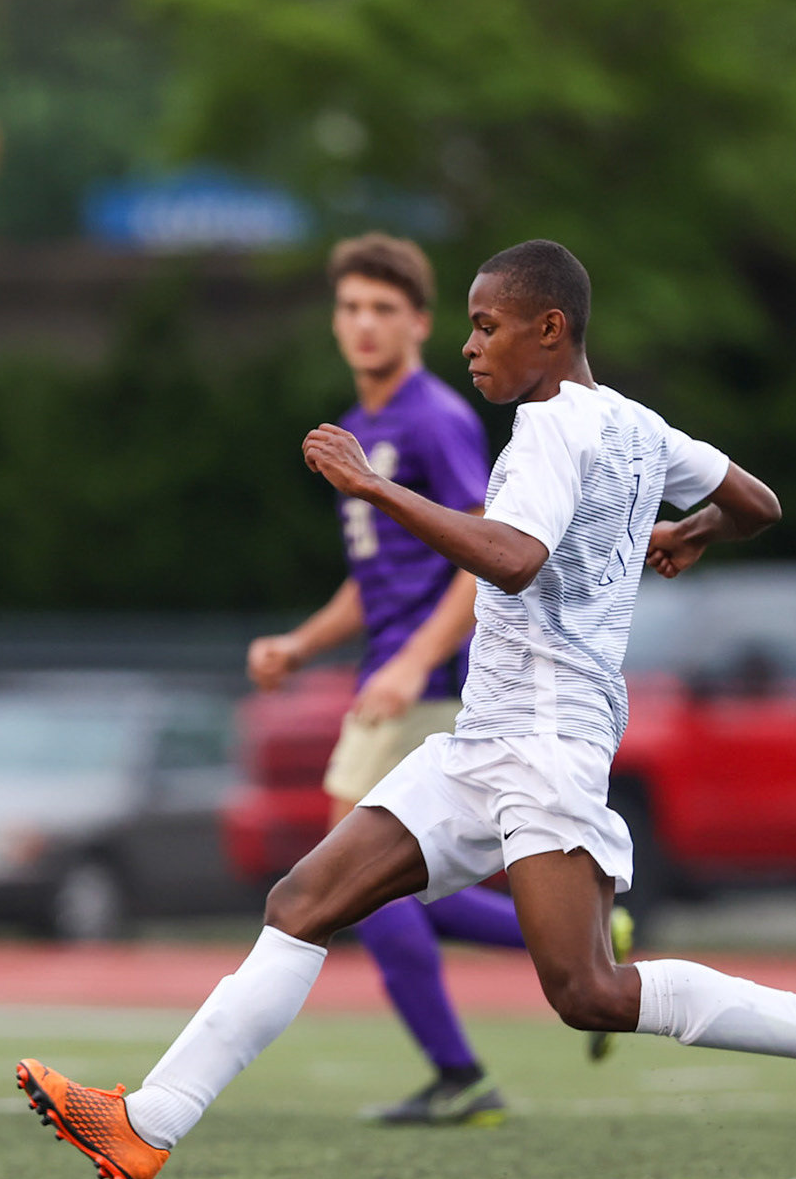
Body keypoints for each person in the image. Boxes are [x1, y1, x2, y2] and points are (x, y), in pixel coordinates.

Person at [16, 239, 796, 1179]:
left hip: (550, 742)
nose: (470, 345)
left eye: (487, 325)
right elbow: (758, 503)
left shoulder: (547, 429)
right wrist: (687, 529)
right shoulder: (638, 423)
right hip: (481, 740)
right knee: (301, 903)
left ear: (551, 328)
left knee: (589, 992)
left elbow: (515, 556)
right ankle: (147, 1124)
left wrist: (375, 486)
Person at [248, 233, 603, 1129]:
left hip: (433, 678)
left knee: (339, 883)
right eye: (350, 307)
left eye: (382, 309)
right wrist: (301, 643)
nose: (363, 324)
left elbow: (482, 549)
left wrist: (413, 662)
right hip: (385, 675)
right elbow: (374, 578)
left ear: (418, 322)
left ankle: (460, 1072)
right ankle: (568, 954)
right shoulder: (361, 427)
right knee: (378, 889)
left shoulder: (435, 416)